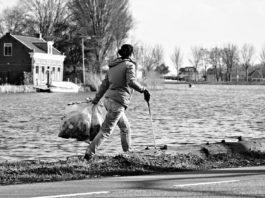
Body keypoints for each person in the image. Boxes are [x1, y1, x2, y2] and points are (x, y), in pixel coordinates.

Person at [84, 44, 150, 161]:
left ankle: (127, 153)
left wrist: (96, 99)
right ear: (131, 54)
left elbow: (104, 85)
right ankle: (89, 153)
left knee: (125, 128)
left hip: (108, 101)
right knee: (106, 130)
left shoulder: (113, 67)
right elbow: (131, 82)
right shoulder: (129, 65)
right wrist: (143, 90)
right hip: (117, 103)